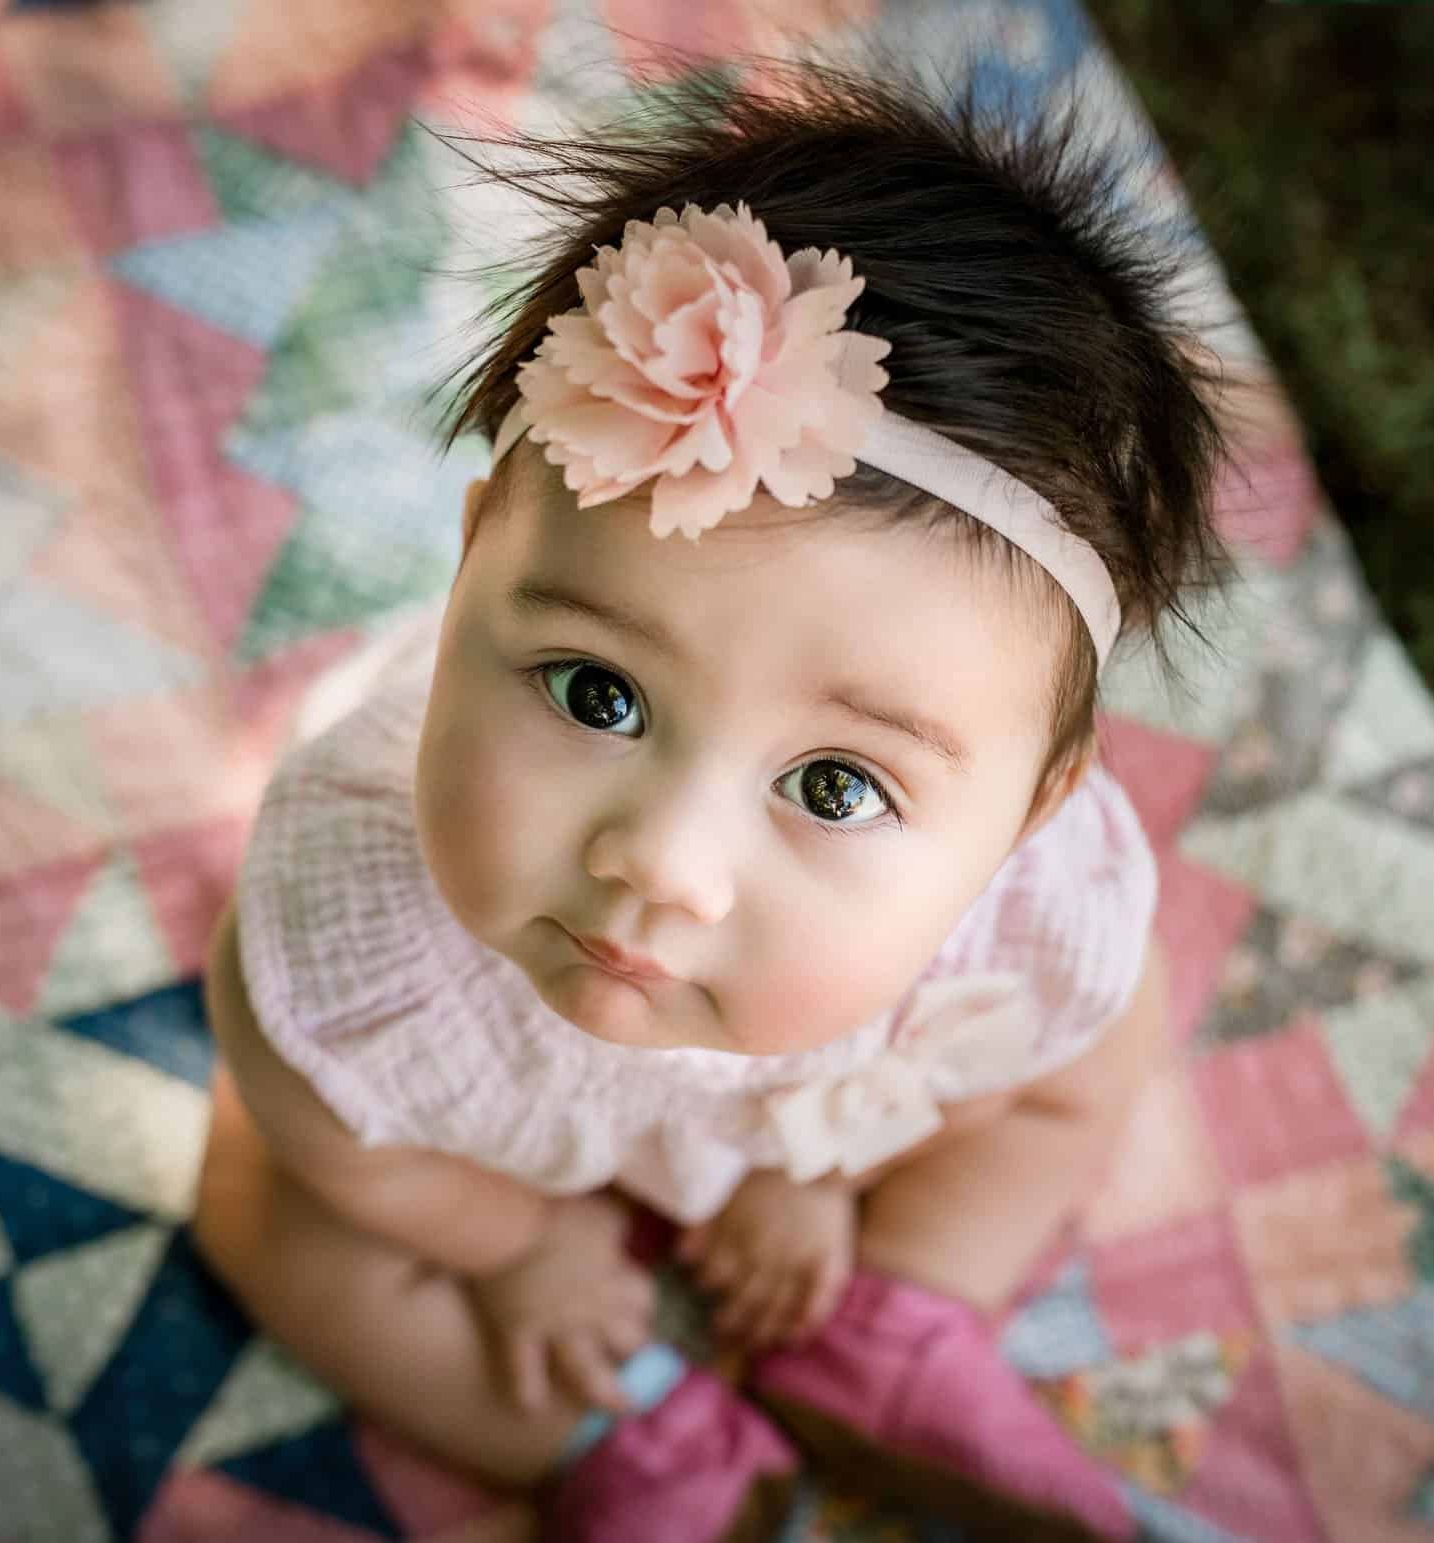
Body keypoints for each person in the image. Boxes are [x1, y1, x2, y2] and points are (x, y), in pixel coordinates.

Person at [189, 52, 1232, 1543]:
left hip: (814, 1117)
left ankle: (895, 1314)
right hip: (501, 1143)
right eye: (595, 693)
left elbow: (1022, 1057)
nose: (661, 864)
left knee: (1097, 1038)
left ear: (1031, 810)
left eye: (834, 784)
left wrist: (830, 1174)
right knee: (265, 1199)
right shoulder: (365, 910)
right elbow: (315, 1110)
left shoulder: (1022, 911)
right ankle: (631, 1442)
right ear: (476, 557)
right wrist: (513, 1242)